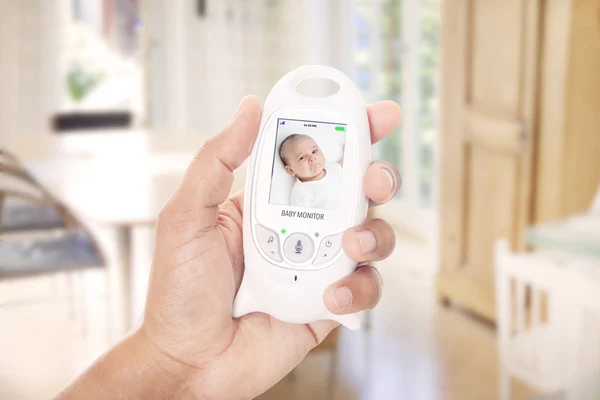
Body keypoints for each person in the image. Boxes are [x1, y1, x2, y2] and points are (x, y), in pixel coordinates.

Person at [54, 95, 402, 400]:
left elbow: (351, 184)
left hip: (325, 269)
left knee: (360, 250)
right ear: (289, 170)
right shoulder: (301, 194)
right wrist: (170, 359)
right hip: (281, 266)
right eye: (302, 159)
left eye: (315, 151)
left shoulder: (340, 172)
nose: (312, 159)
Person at [279, 133, 342, 209]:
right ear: (291, 170)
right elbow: (299, 219)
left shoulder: (331, 167)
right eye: (302, 157)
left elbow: (346, 161)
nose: (312, 157)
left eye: (314, 151)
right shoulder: (302, 194)